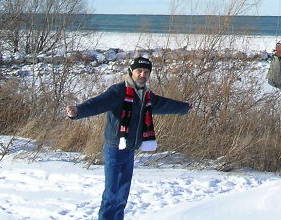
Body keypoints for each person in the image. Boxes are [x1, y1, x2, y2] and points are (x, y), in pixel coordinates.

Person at [66, 56, 190, 220]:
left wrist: (184, 107)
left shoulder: (145, 95)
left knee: (122, 194)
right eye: (139, 71)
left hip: (130, 148)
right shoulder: (118, 92)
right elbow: (98, 103)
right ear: (131, 72)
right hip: (115, 147)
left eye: (146, 72)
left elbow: (163, 104)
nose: (142, 75)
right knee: (111, 193)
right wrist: (78, 111)